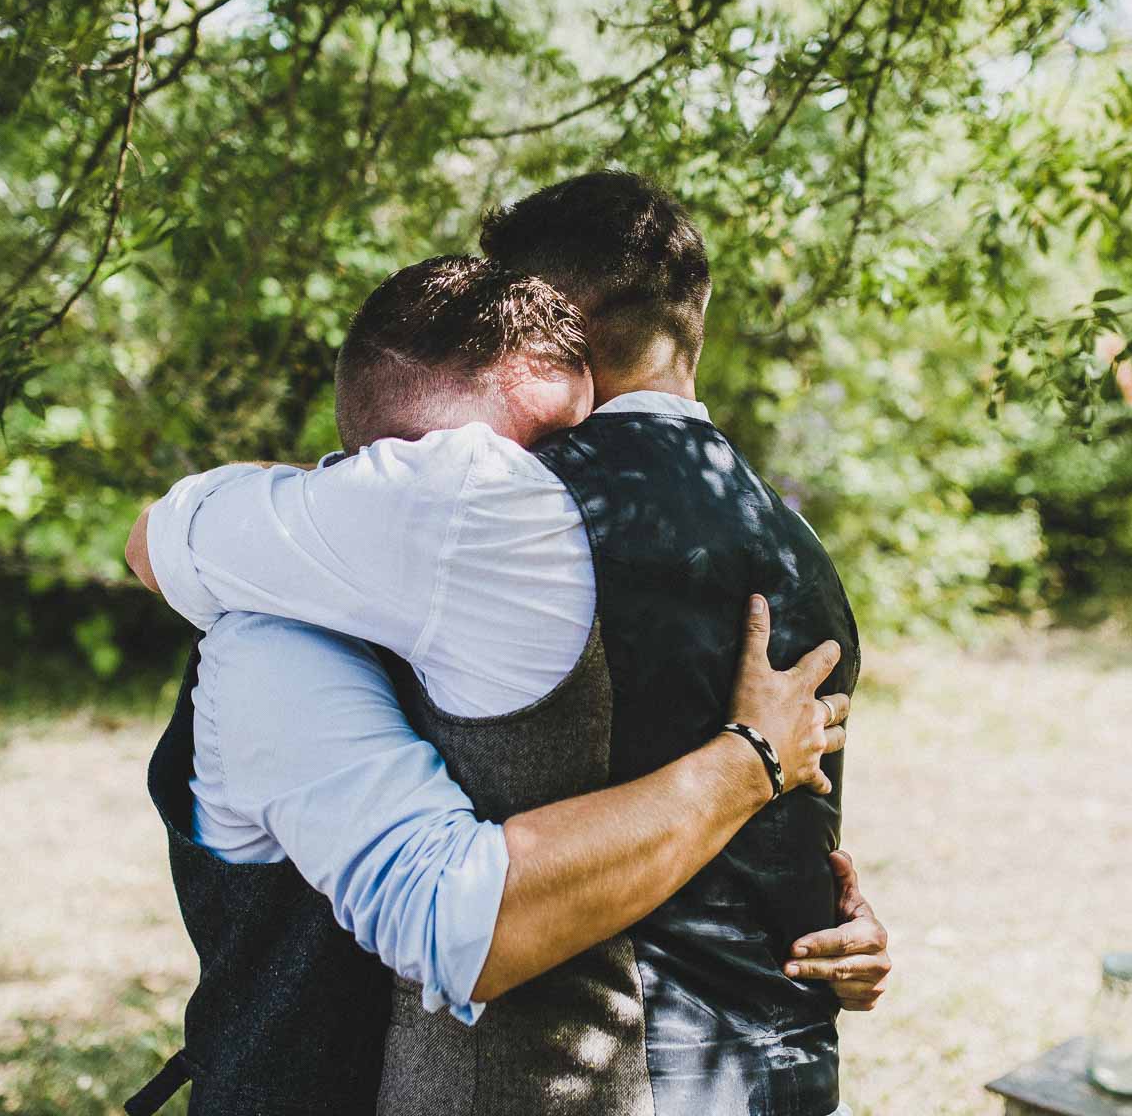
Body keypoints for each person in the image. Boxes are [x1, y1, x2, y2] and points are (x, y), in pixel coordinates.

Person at [130, 173, 877, 1116]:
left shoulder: (488, 507)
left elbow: (162, 539)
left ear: (546, 324)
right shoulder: (802, 550)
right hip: (793, 1082)